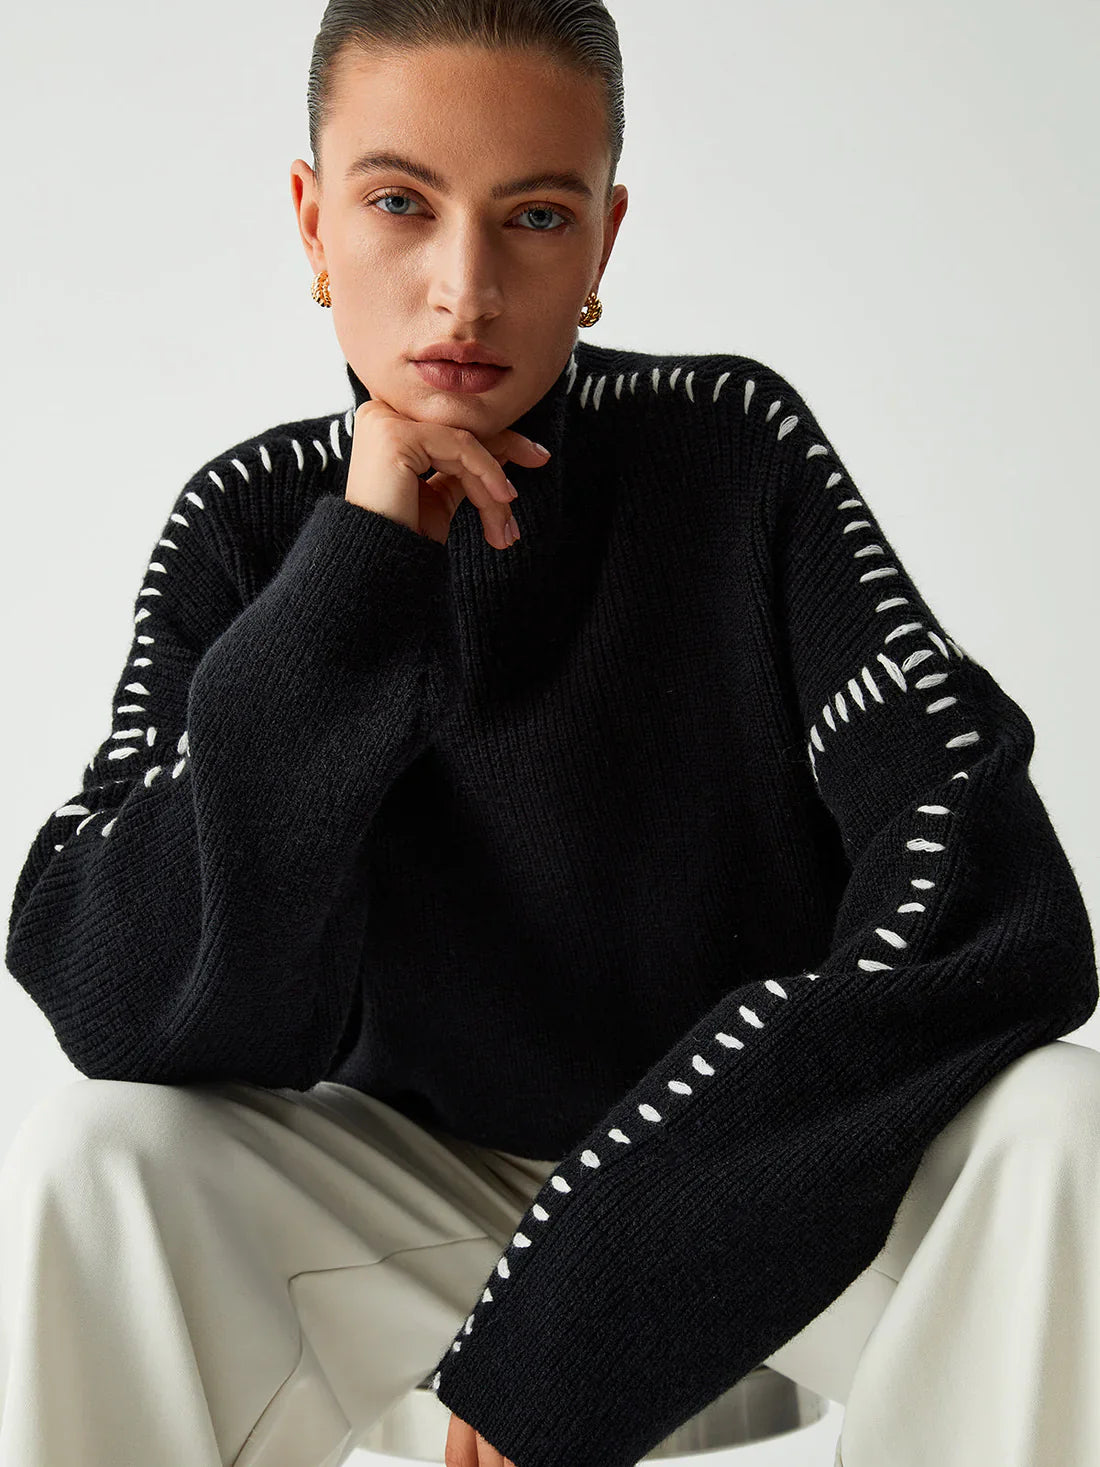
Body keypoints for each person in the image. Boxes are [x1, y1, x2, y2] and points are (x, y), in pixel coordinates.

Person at [3, 3, 1098, 1467]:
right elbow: (130, 998)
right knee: (95, 1162)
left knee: (1063, 1128)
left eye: (533, 216)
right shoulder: (247, 530)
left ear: (602, 241)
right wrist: (356, 573)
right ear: (313, 221)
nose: (464, 290)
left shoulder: (733, 453)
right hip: (403, 1218)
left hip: (748, 1199)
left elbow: (992, 902)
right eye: (401, 203)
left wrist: (603, 1285)